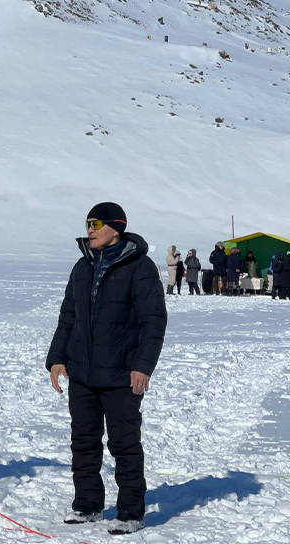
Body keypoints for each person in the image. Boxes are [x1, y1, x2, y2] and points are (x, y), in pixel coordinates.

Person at [46, 202, 167, 536]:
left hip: (122, 374)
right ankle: (88, 505)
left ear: (116, 228)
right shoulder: (82, 266)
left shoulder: (140, 267)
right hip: (82, 374)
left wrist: (143, 366)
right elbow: (68, 316)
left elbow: (153, 321)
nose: (90, 229)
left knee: (124, 444)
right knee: (83, 441)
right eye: (88, 223)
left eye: (97, 223)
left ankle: (130, 512)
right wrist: (57, 358)